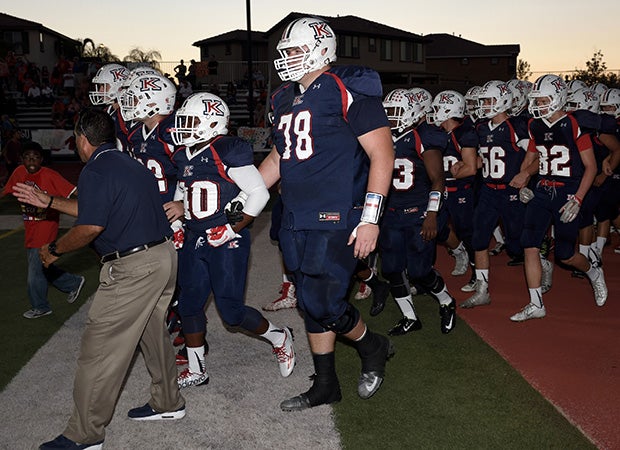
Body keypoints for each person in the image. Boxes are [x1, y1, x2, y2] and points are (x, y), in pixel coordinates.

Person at [14, 108, 185, 449]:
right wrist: (49, 201)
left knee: (99, 350)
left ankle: (84, 435)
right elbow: (99, 207)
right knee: (152, 333)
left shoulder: (95, 170)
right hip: (163, 258)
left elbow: (91, 226)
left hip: (134, 268)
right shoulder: (128, 163)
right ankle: (168, 402)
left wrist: (55, 250)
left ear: (82, 138)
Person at [260, 17, 395, 411]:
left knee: (326, 304)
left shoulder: (347, 86)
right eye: (284, 52)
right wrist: (241, 194)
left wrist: (370, 218)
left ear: (322, 50)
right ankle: (326, 384)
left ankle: (373, 346)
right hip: (295, 216)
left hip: (338, 214)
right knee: (308, 301)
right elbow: (279, 157)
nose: (287, 59)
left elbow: (381, 154)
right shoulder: (283, 98)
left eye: (295, 50)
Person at [169, 92, 295, 388]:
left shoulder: (226, 149)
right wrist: (177, 220)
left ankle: (280, 336)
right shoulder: (183, 154)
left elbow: (259, 193)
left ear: (211, 123)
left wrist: (231, 229)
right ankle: (198, 369)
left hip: (227, 239)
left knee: (232, 313)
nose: (183, 126)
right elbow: (183, 192)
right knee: (189, 304)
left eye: (190, 121)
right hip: (194, 235)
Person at [509, 74, 606, 321]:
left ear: (558, 98)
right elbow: (530, 161)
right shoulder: (535, 125)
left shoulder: (574, 123)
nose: (539, 103)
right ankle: (536, 303)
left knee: (565, 254)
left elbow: (591, 167)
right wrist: (524, 182)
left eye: (543, 98)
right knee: (529, 244)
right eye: (537, 98)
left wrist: (579, 199)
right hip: (542, 189)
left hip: (568, 191)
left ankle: (593, 272)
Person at [380, 88, 456, 336]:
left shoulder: (424, 137)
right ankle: (410, 317)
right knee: (391, 268)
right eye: (388, 112)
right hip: (391, 213)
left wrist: (432, 214)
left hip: (417, 213)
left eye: (395, 112)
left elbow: (437, 180)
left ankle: (446, 301)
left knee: (419, 272)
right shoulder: (383, 137)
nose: (390, 117)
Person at [461, 80, 529, 309]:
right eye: (483, 101)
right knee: (479, 239)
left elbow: (538, 155)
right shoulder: (481, 128)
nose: (484, 106)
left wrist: (526, 173)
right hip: (489, 190)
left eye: (488, 101)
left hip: (511, 191)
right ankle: (482, 290)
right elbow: (484, 159)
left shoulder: (516, 126)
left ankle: (541, 264)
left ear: (503, 101)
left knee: (516, 244)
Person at [3, 141, 85, 319]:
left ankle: (41, 306)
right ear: (21, 159)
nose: (31, 160)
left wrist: (91, 203)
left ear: (42, 159)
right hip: (30, 229)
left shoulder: (50, 175)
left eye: (35, 157)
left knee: (34, 271)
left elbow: (73, 191)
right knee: (42, 265)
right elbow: (6, 190)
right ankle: (72, 282)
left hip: (46, 226)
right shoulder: (18, 173)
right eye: (27, 157)